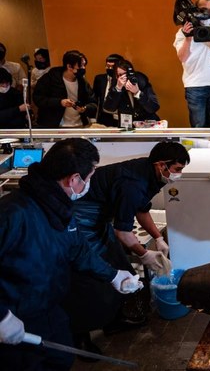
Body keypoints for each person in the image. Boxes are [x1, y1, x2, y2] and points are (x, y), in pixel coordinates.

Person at [0, 138, 140, 370]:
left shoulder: (60, 207)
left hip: (51, 309)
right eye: (89, 178)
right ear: (74, 179)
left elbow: (78, 250)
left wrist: (113, 275)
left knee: (61, 359)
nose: (89, 184)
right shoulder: (12, 214)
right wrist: (2, 316)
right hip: (15, 320)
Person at [62, 141, 189, 353]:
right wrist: (144, 253)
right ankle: (80, 336)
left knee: (122, 266)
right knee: (89, 276)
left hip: (101, 218)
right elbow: (123, 232)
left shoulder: (150, 173)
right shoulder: (133, 182)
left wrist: (158, 238)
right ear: (161, 164)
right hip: (82, 217)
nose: (179, 175)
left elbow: (141, 209)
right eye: (177, 169)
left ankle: (113, 319)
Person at [174, 0, 210, 128]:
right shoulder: (183, 31)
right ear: (196, 10)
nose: (209, 13)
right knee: (198, 127)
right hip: (195, 87)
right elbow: (182, 57)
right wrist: (188, 37)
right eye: (205, 10)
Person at [33, 49, 96, 128]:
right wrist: (60, 102)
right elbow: (38, 99)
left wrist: (85, 108)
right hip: (55, 126)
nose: (83, 68)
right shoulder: (50, 78)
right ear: (69, 66)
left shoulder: (82, 82)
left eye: (84, 65)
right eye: (80, 66)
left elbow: (93, 102)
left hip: (79, 125)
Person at [102, 59, 160, 128]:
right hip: (127, 127)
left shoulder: (141, 81)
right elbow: (108, 108)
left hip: (146, 126)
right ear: (116, 76)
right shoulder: (116, 85)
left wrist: (138, 93)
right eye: (120, 75)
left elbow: (154, 107)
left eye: (126, 74)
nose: (124, 78)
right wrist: (118, 89)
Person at [92, 53, 125, 127]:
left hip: (120, 116)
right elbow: (95, 99)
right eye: (107, 66)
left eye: (112, 67)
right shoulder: (100, 79)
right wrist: (93, 118)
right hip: (104, 116)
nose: (109, 69)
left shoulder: (124, 79)